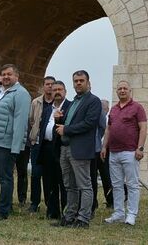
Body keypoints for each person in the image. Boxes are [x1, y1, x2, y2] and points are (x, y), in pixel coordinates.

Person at [0, 64, 32, 219]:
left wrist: (16, 148)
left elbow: (21, 121)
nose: (5, 77)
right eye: (3, 74)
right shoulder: (0, 92)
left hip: (5, 144)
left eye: (9, 74)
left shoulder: (21, 94)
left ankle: (3, 211)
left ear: (17, 76)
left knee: (5, 178)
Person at [52, 70, 101, 229]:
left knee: (84, 185)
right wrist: (59, 119)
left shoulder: (93, 101)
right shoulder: (74, 102)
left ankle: (83, 219)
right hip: (66, 149)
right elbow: (68, 123)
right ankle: (69, 216)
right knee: (69, 186)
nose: (78, 83)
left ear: (88, 82)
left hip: (80, 149)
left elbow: (89, 123)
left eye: (81, 80)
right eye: (76, 81)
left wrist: (66, 129)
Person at [101, 80, 147, 226]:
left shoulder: (137, 108)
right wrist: (104, 147)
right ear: (116, 91)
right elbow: (108, 129)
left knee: (132, 184)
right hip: (113, 152)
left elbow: (143, 128)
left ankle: (131, 214)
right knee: (116, 184)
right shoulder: (113, 109)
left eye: (125, 88)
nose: (122, 90)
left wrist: (140, 148)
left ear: (130, 90)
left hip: (130, 152)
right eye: (119, 88)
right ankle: (119, 213)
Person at [41, 80, 70, 219]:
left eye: (60, 89)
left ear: (65, 92)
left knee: (63, 182)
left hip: (62, 148)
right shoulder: (47, 109)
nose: (57, 92)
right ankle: (52, 211)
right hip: (47, 148)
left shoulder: (70, 107)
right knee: (49, 181)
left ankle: (66, 211)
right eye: (55, 90)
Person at [27, 75, 56, 213]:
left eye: (52, 84)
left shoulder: (57, 103)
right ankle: (34, 203)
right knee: (35, 174)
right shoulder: (36, 102)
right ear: (43, 86)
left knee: (49, 175)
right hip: (37, 143)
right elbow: (31, 120)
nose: (49, 86)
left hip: (50, 144)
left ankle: (50, 203)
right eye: (47, 84)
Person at [91, 98, 112, 214]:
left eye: (104, 108)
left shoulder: (109, 120)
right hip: (94, 150)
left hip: (105, 151)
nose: (102, 111)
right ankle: (93, 201)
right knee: (92, 177)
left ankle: (110, 200)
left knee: (106, 176)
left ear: (108, 109)